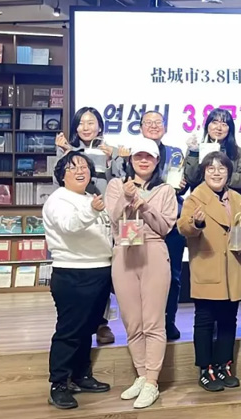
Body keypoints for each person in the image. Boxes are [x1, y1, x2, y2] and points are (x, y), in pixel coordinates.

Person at [105, 137, 178, 409]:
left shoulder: (166, 190)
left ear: (157, 161)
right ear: (130, 160)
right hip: (124, 252)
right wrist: (127, 197)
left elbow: (165, 227)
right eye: (138, 156)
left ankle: (152, 382)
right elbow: (113, 218)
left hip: (154, 252)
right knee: (132, 322)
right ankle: (142, 374)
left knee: (153, 322)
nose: (143, 161)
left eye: (149, 156)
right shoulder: (116, 185)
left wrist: (143, 205)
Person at [178, 152, 241, 392]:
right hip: (208, 266)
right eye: (211, 168)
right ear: (203, 173)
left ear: (229, 173)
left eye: (222, 168)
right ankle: (205, 368)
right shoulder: (195, 198)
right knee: (205, 320)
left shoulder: (237, 199)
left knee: (229, 320)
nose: (216, 172)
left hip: (233, 268)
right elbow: (183, 227)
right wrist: (197, 224)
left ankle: (224, 365)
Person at [43, 151, 113, 409]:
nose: (80, 170)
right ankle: (59, 384)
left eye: (84, 166)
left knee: (88, 329)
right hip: (73, 272)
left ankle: (81, 375)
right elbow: (69, 226)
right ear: (62, 175)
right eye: (73, 167)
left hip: (99, 269)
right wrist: (92, 211)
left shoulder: (90, 198)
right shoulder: (58, 199)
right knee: (70, 331)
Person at [115, 110, 187, 342]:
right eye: (149, 122)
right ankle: (140, 325)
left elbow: (183, 182)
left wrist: (183, 184)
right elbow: (119, 186)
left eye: (158, 122)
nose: (154, 126)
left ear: (165, 127)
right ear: (140, 127)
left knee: (173, 276)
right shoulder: (128, 153)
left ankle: (168, 321)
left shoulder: (176, 153)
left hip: (167, 220)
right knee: (133, 275)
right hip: (133, 224)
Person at [54, 107, 116, 345]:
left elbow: (118, 183)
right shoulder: (68, 151)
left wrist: (110, 161)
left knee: (103, 273)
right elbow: (57, 182)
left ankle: (101, 322)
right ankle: (77, 324)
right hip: (77, 217)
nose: (86, 127)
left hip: (104, 218)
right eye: (81, 123)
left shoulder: (109, 149)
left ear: (100, 126)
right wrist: (65, 154)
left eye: (91, 123)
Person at [184, 108, 241, 194]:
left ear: (230, 129)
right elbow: (191, 179)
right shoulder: (196, 149)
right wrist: (194, 153)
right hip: (202, 198)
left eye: (224, 124)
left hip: (229, 199)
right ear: (207, 126)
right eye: (215, 123)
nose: (219, 128)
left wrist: (223, 176)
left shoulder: (239, 152)